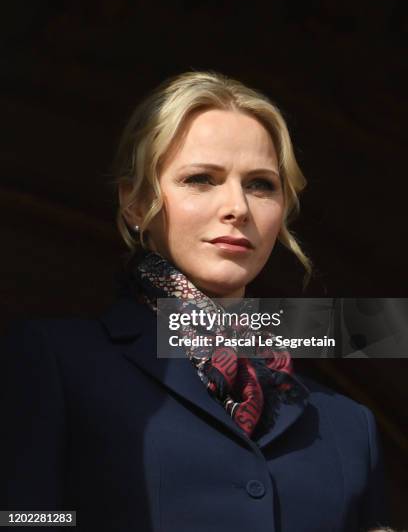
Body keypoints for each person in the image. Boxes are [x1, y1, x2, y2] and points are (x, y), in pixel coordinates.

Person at [0, 71, 388, 531]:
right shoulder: (56, 361)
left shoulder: (348, 427)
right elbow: (23, 518)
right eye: (201, 179)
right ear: (137, 203)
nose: (238, 207)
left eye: (261, 184)